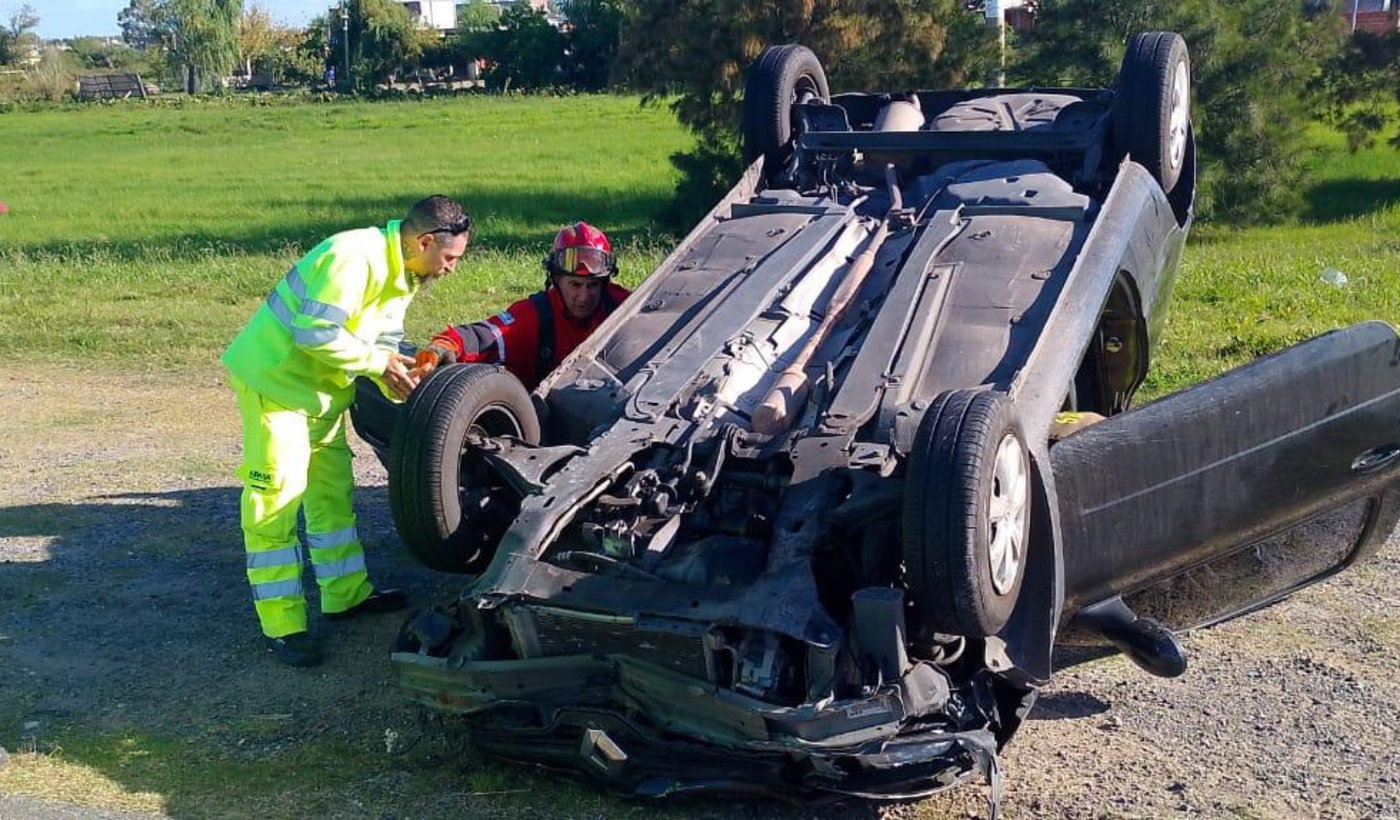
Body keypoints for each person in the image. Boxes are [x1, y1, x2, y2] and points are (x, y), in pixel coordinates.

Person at [222, 195, 472, 667]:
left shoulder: (404, 273)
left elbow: (379, 338)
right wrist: (378, 363)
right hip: (276, 385)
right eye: (450, 258)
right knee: (277, 500)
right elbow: (313, 332)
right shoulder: (353, 257)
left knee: (332, 494)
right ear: (424, 242)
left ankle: (345, 595)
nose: (452, 269)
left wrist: (392, 372)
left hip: (318, 394)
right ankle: (283, 626)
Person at [415, 221, 630, 390]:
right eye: (575, 285)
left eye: (592, 286)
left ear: (605, 283)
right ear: (556, 280)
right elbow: (485, 336)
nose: (583, 297)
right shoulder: (534, 315)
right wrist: (445, 345)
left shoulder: (627, 307)